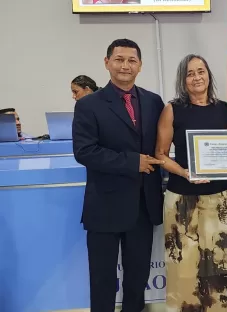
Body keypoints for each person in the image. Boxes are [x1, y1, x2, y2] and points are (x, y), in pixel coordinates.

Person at [72, 38, 165, 312]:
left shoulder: (153, 102)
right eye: (119, 59)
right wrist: (131, 162)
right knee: (102, 280)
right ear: (107, 63)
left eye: (132, 60)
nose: (126, 65)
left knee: (137, 279)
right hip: (105, 207)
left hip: (143, 207)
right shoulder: (89, 105)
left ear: (140, 66)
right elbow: (85, 152)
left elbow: (163, 144)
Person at [155, 54, 227, 311]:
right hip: (183, 201)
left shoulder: (223, 108)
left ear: (208, 75)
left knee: (222, 266)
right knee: (184, 268)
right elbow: (160, 155)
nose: (196, 77)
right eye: (190, 73)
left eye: (200, 71)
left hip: (222, 200)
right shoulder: (173, 109)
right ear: (183, 80)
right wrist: (184, 173)